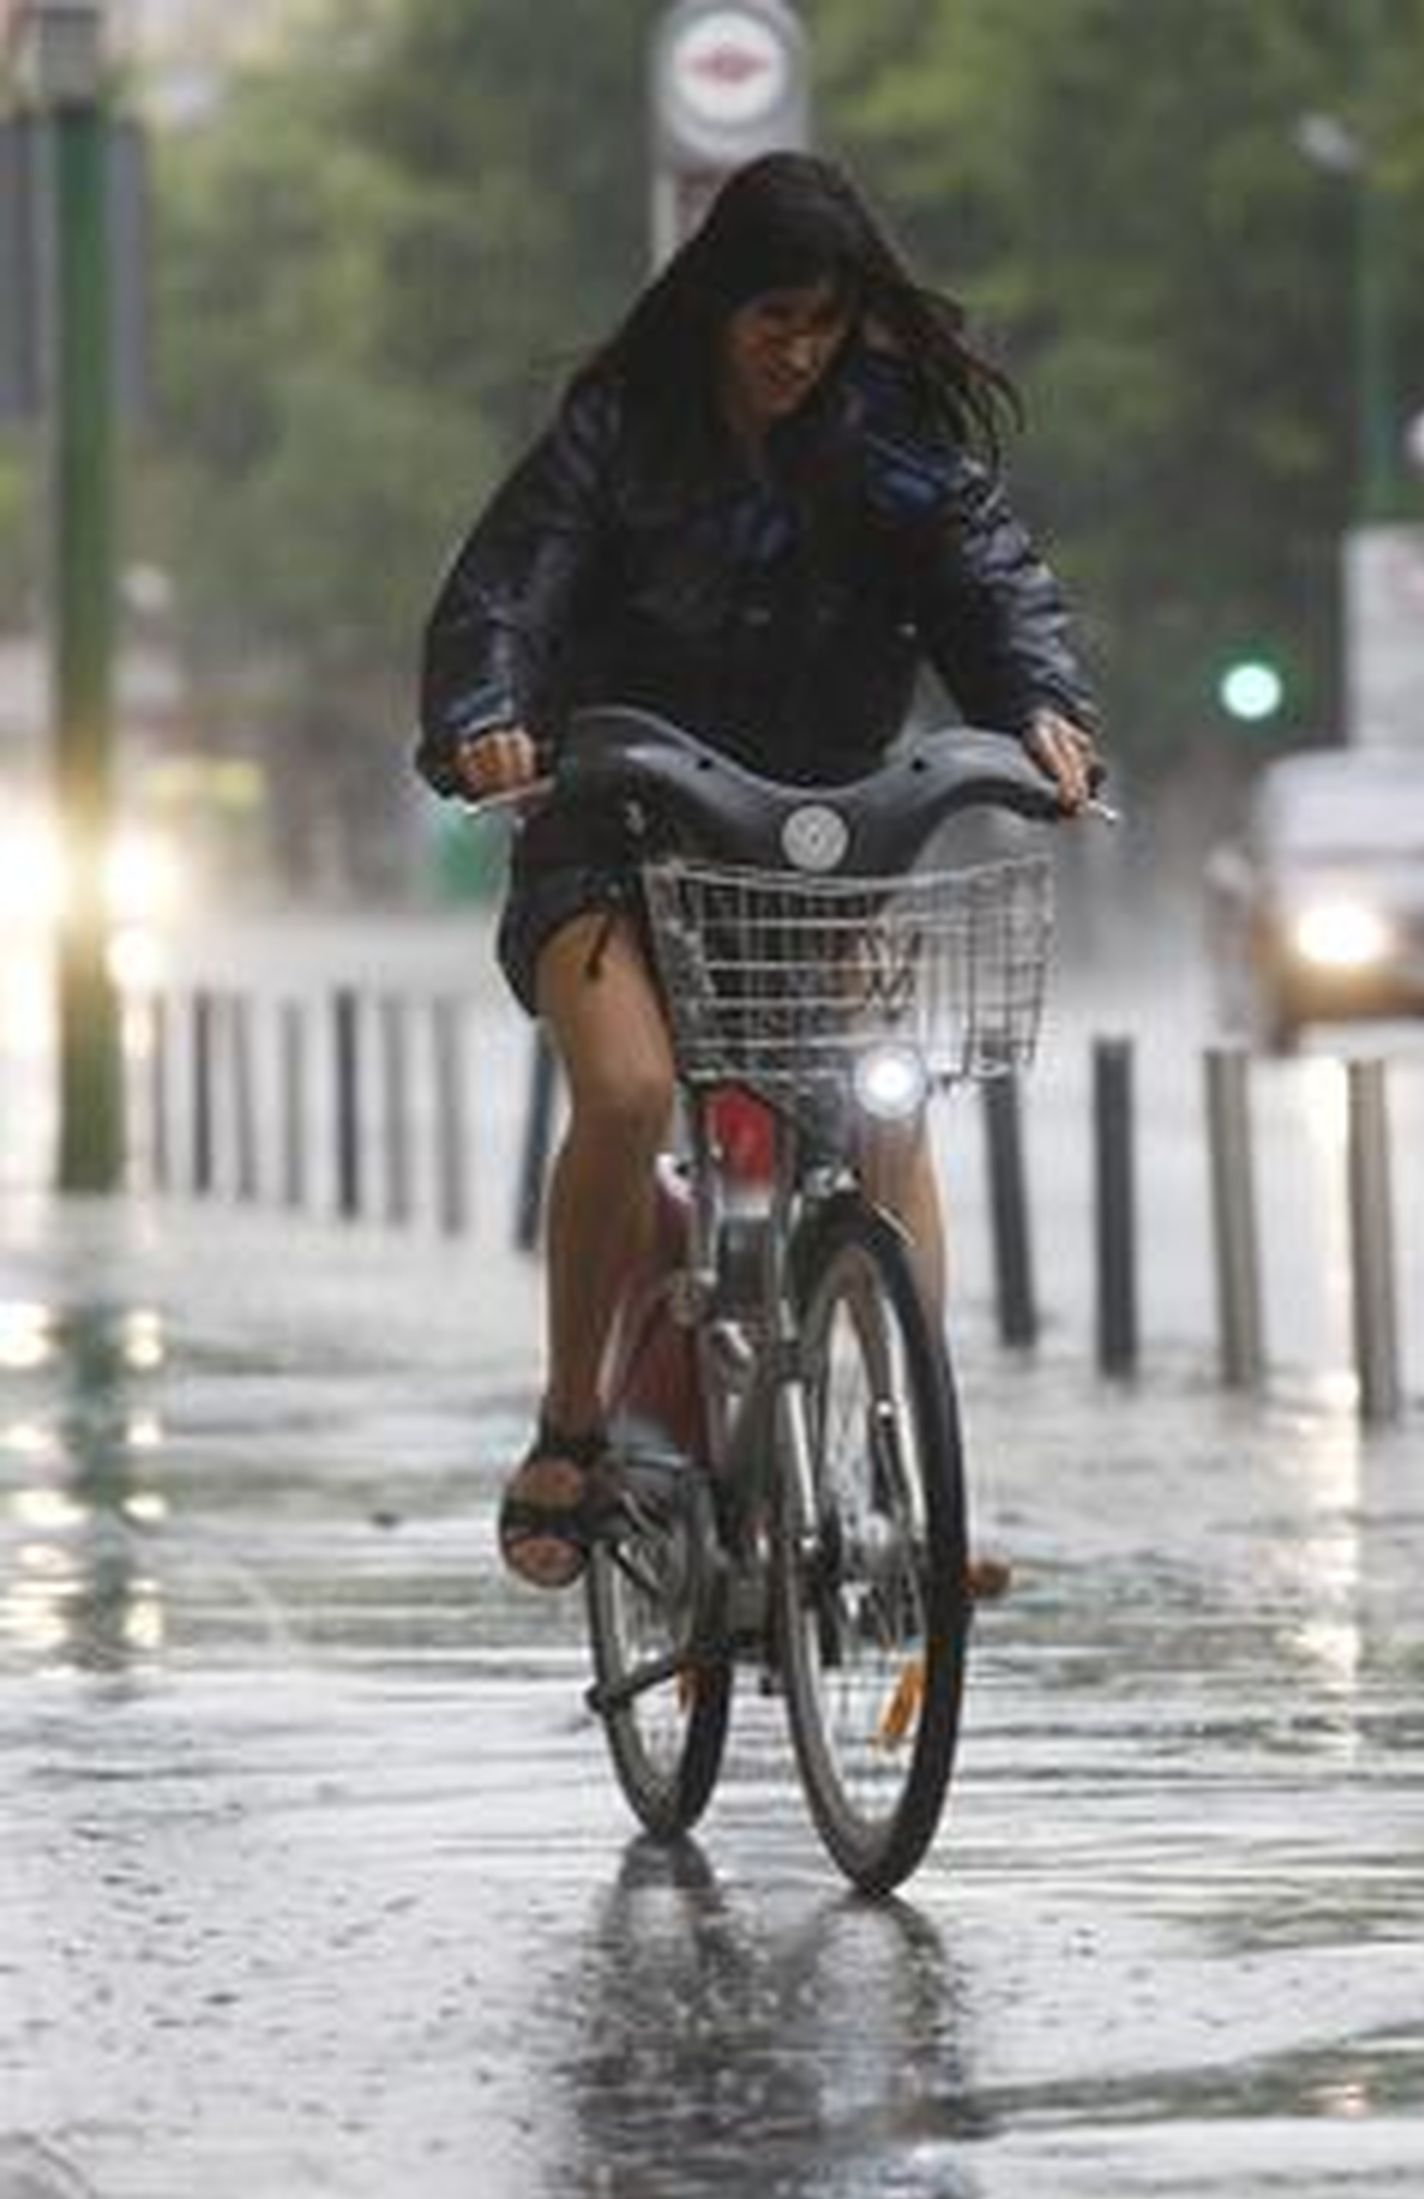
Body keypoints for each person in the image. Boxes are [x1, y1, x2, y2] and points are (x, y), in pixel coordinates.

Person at [417, 150, 1100, 1590]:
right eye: (772, 320)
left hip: (819, 838)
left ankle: (904, 1481)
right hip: (614, 832)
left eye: (825, 324)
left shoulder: (889, 436)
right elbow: (507, 592)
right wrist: (486, 718)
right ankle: (574, 1431)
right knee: (628, 1091)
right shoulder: (616, 432)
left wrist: (1040, 709)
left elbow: (991, 580)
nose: (798, 352)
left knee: (885, 1115)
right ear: (716, 305)